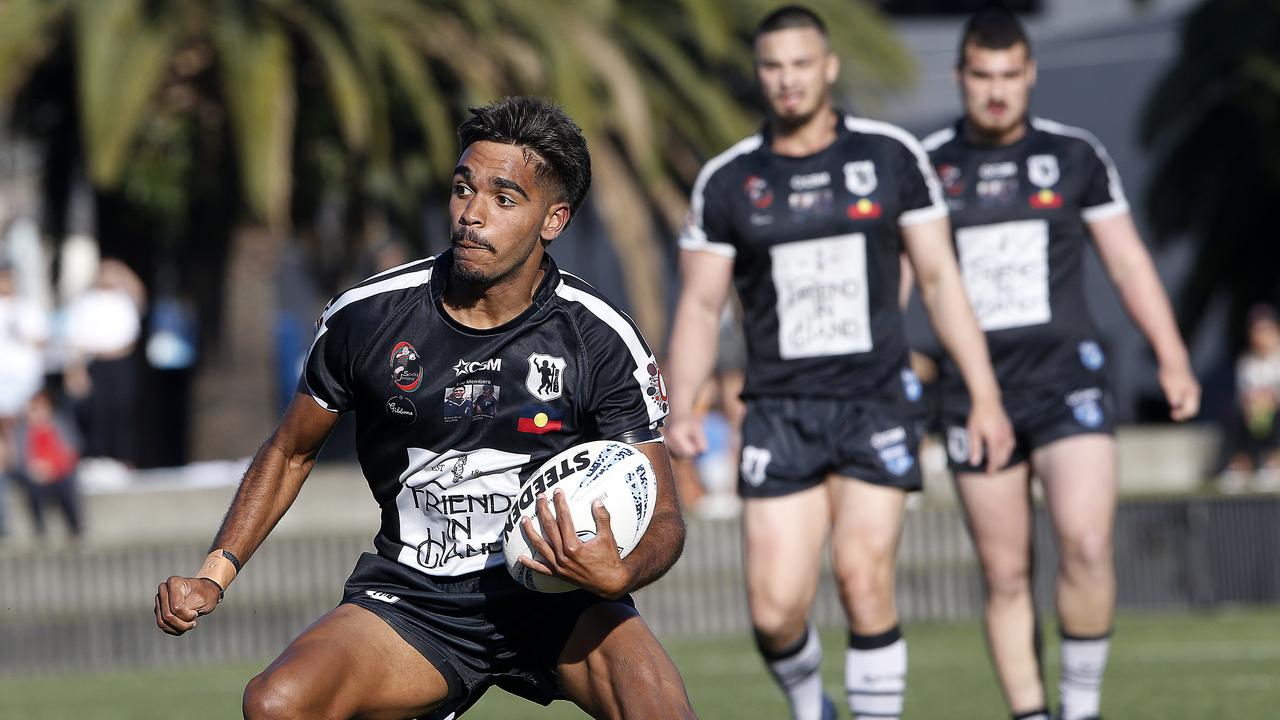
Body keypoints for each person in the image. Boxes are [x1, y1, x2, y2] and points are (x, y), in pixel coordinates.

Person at [155, 96, 696, 720]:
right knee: (275, 704)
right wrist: (213, 574)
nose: (472, 214)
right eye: (463, 188)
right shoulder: (368, 316)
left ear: (554, 219)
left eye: (504, 198)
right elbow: (290, 451)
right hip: (416, 601)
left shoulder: (598, 336)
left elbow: (665, 519)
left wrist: (616, 576)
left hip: (563, 600)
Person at [665, 7, 1013, 720]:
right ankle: (809, 705)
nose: (787, 79)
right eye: (772, 66)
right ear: (759, 75)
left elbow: (943, 283)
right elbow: (701, 307)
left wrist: (983, 393)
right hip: (778, 410)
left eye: (801, 64)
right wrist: (683, 404)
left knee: (861, 573)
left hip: (877, 400)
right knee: (773, 612)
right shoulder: (729, 181)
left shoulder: (891, 157)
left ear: (828, 67)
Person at [920, 10, 1201, 720]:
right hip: (973, 394)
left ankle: (1080, 708)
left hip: (1067, 379)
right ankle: (1030, 714)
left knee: (1083, 539)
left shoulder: (1075, 156)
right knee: (1006, 570)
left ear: (1030, 75)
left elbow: (1129, 261)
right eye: (981, 76)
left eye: (1009, 75)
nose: (995, 91)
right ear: (960, 77)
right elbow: (902, 279)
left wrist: (1171, 356)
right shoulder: (926, 165)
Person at [1217, 304, 1280, 493]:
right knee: (1238, 416)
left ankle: (1274, 464)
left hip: (1274, 414)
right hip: (1257, 416)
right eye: (1257, 330)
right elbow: (1243, 395)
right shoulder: (1247, 362)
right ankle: (1241, 465)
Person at [13, 388, 84, 542]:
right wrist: (35, 470)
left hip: (59, 473)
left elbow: (71, 451)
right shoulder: (21, 431)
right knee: (33, 490)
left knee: (67, 486)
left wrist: (53, 468)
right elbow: (19, 460)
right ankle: (41, 532)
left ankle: (76, 530)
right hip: (34, 476)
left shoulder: (60, 425)